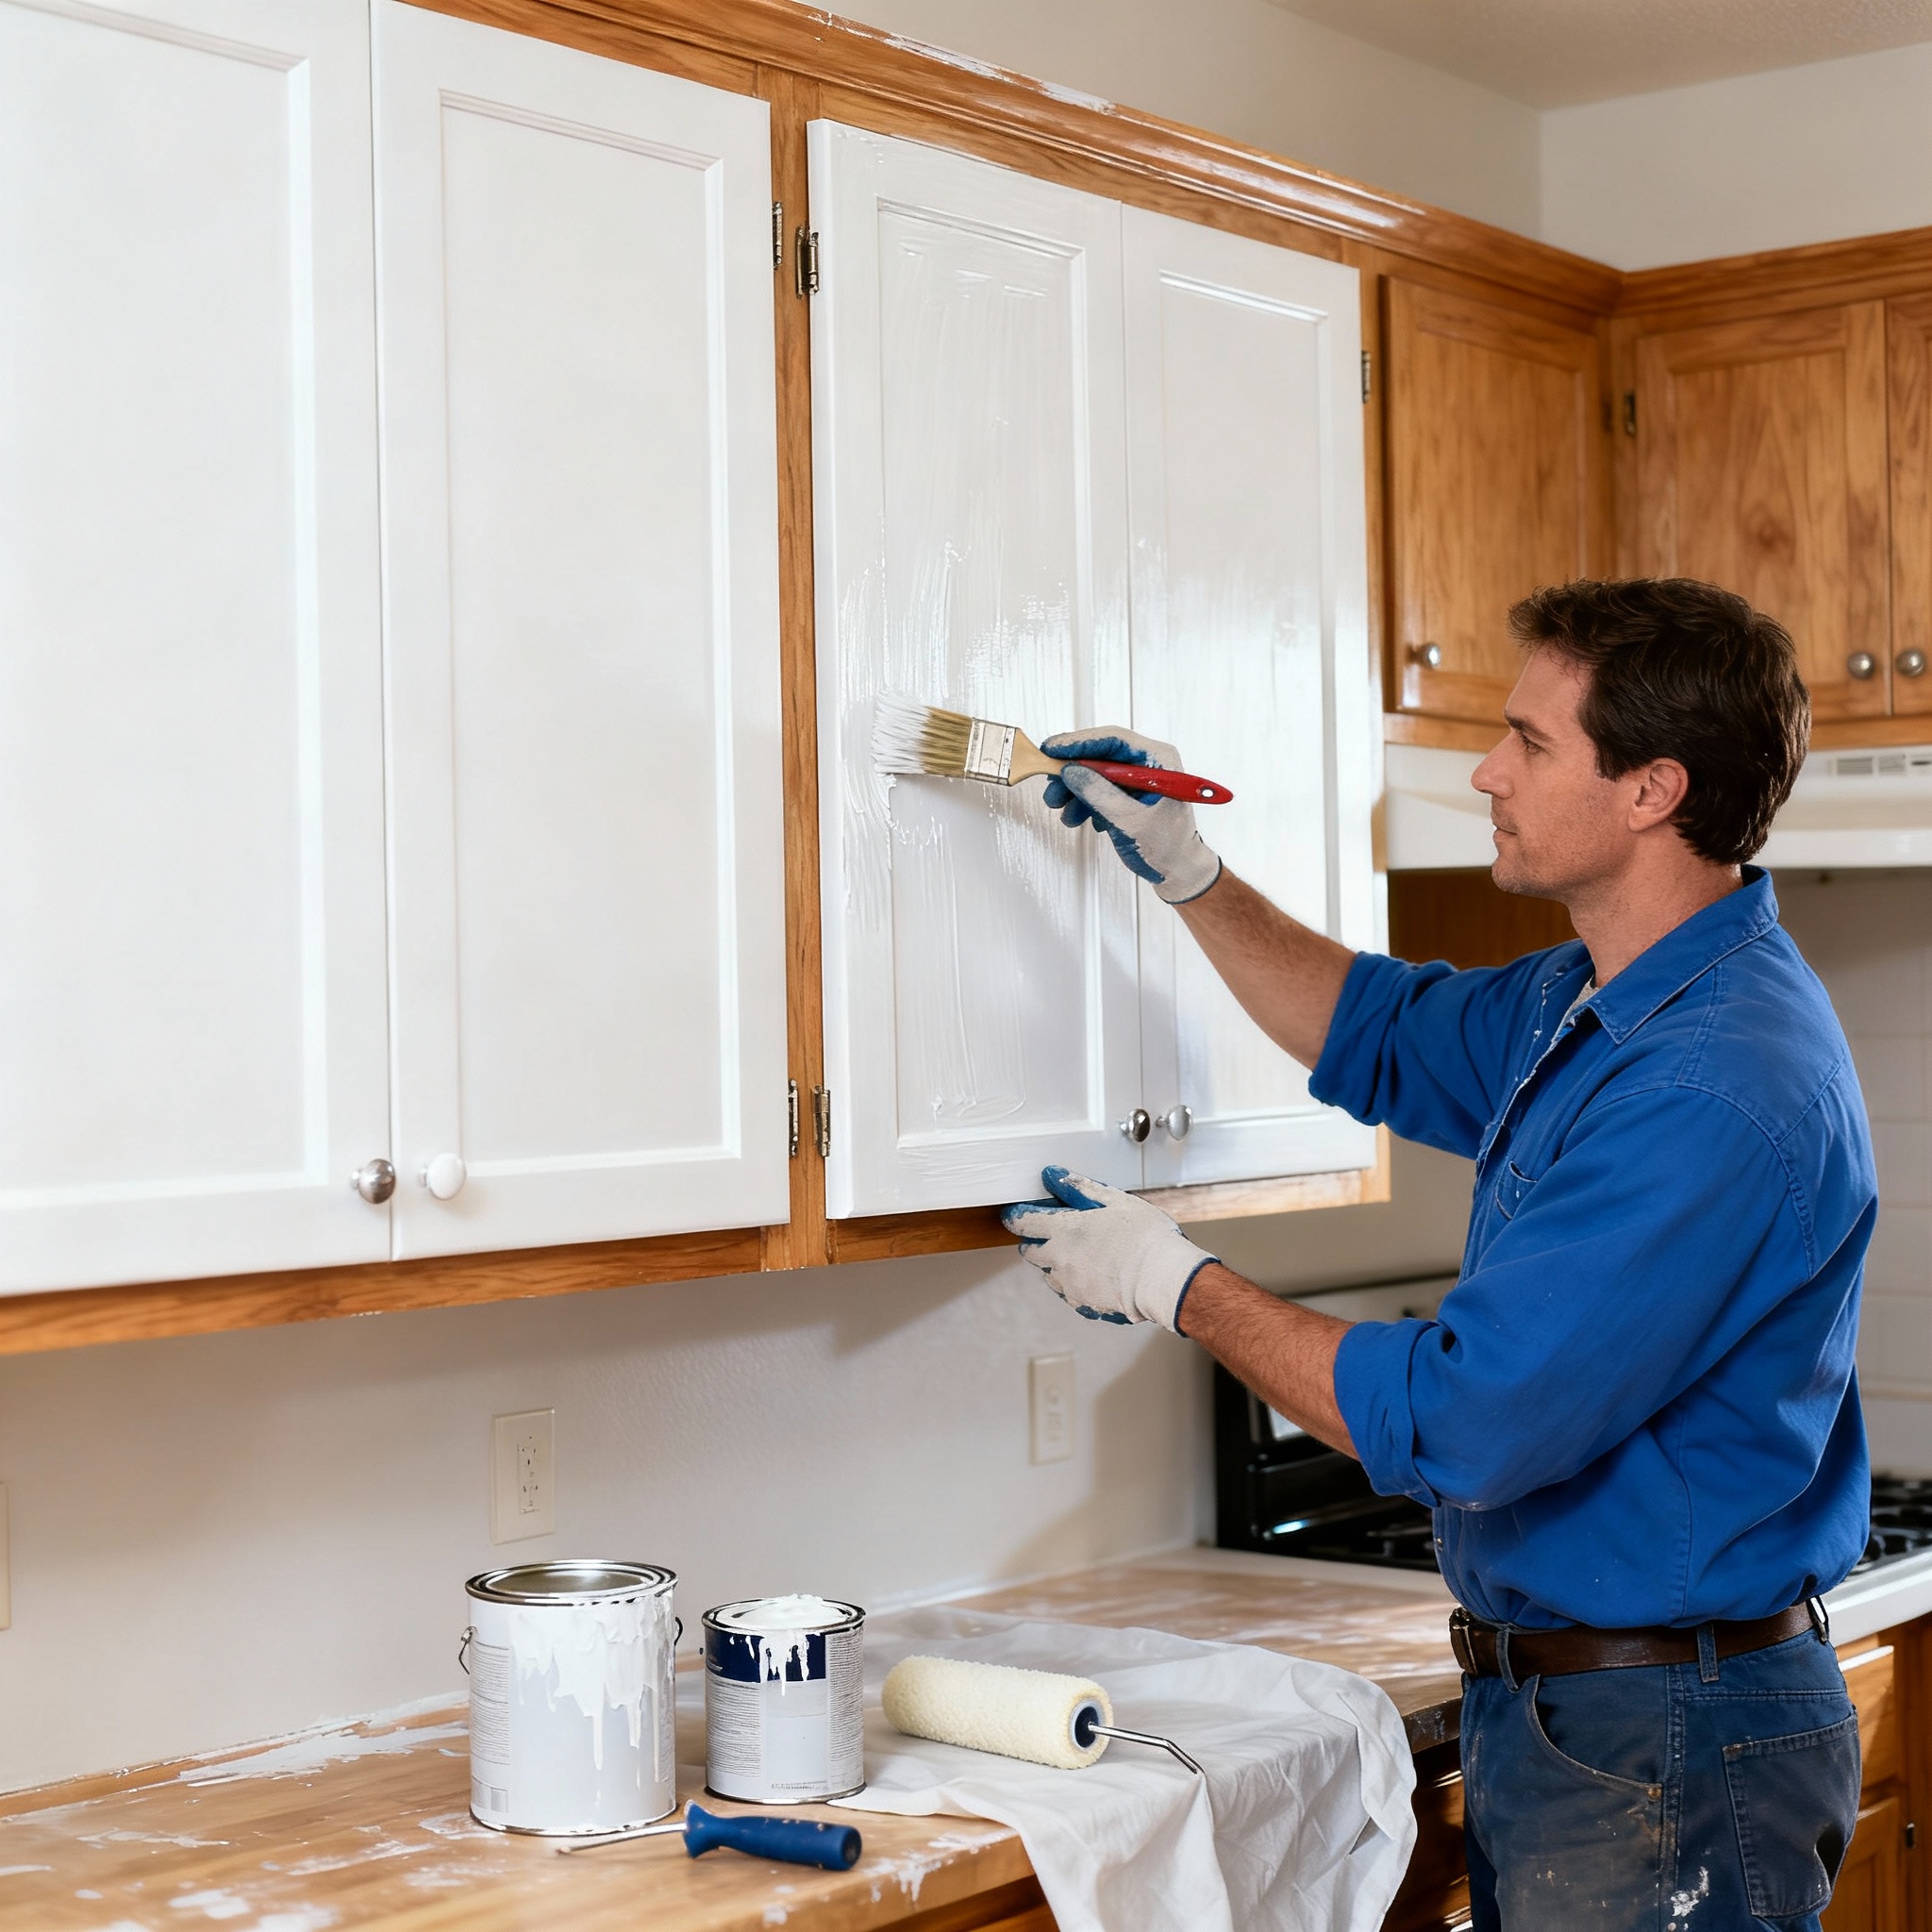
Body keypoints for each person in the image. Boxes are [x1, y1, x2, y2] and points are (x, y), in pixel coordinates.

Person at [1004, 578, 1875, 1932]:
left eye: (1529, 741)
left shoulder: (1707, 1084)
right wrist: (1189, 871)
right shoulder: (1601, 997)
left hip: (1668, 1746)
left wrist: (1177, 1284)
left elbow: (1470, 1419)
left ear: (1651, 791)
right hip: (1598, 1722)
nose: (1486, 771)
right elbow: (1377, 1028)